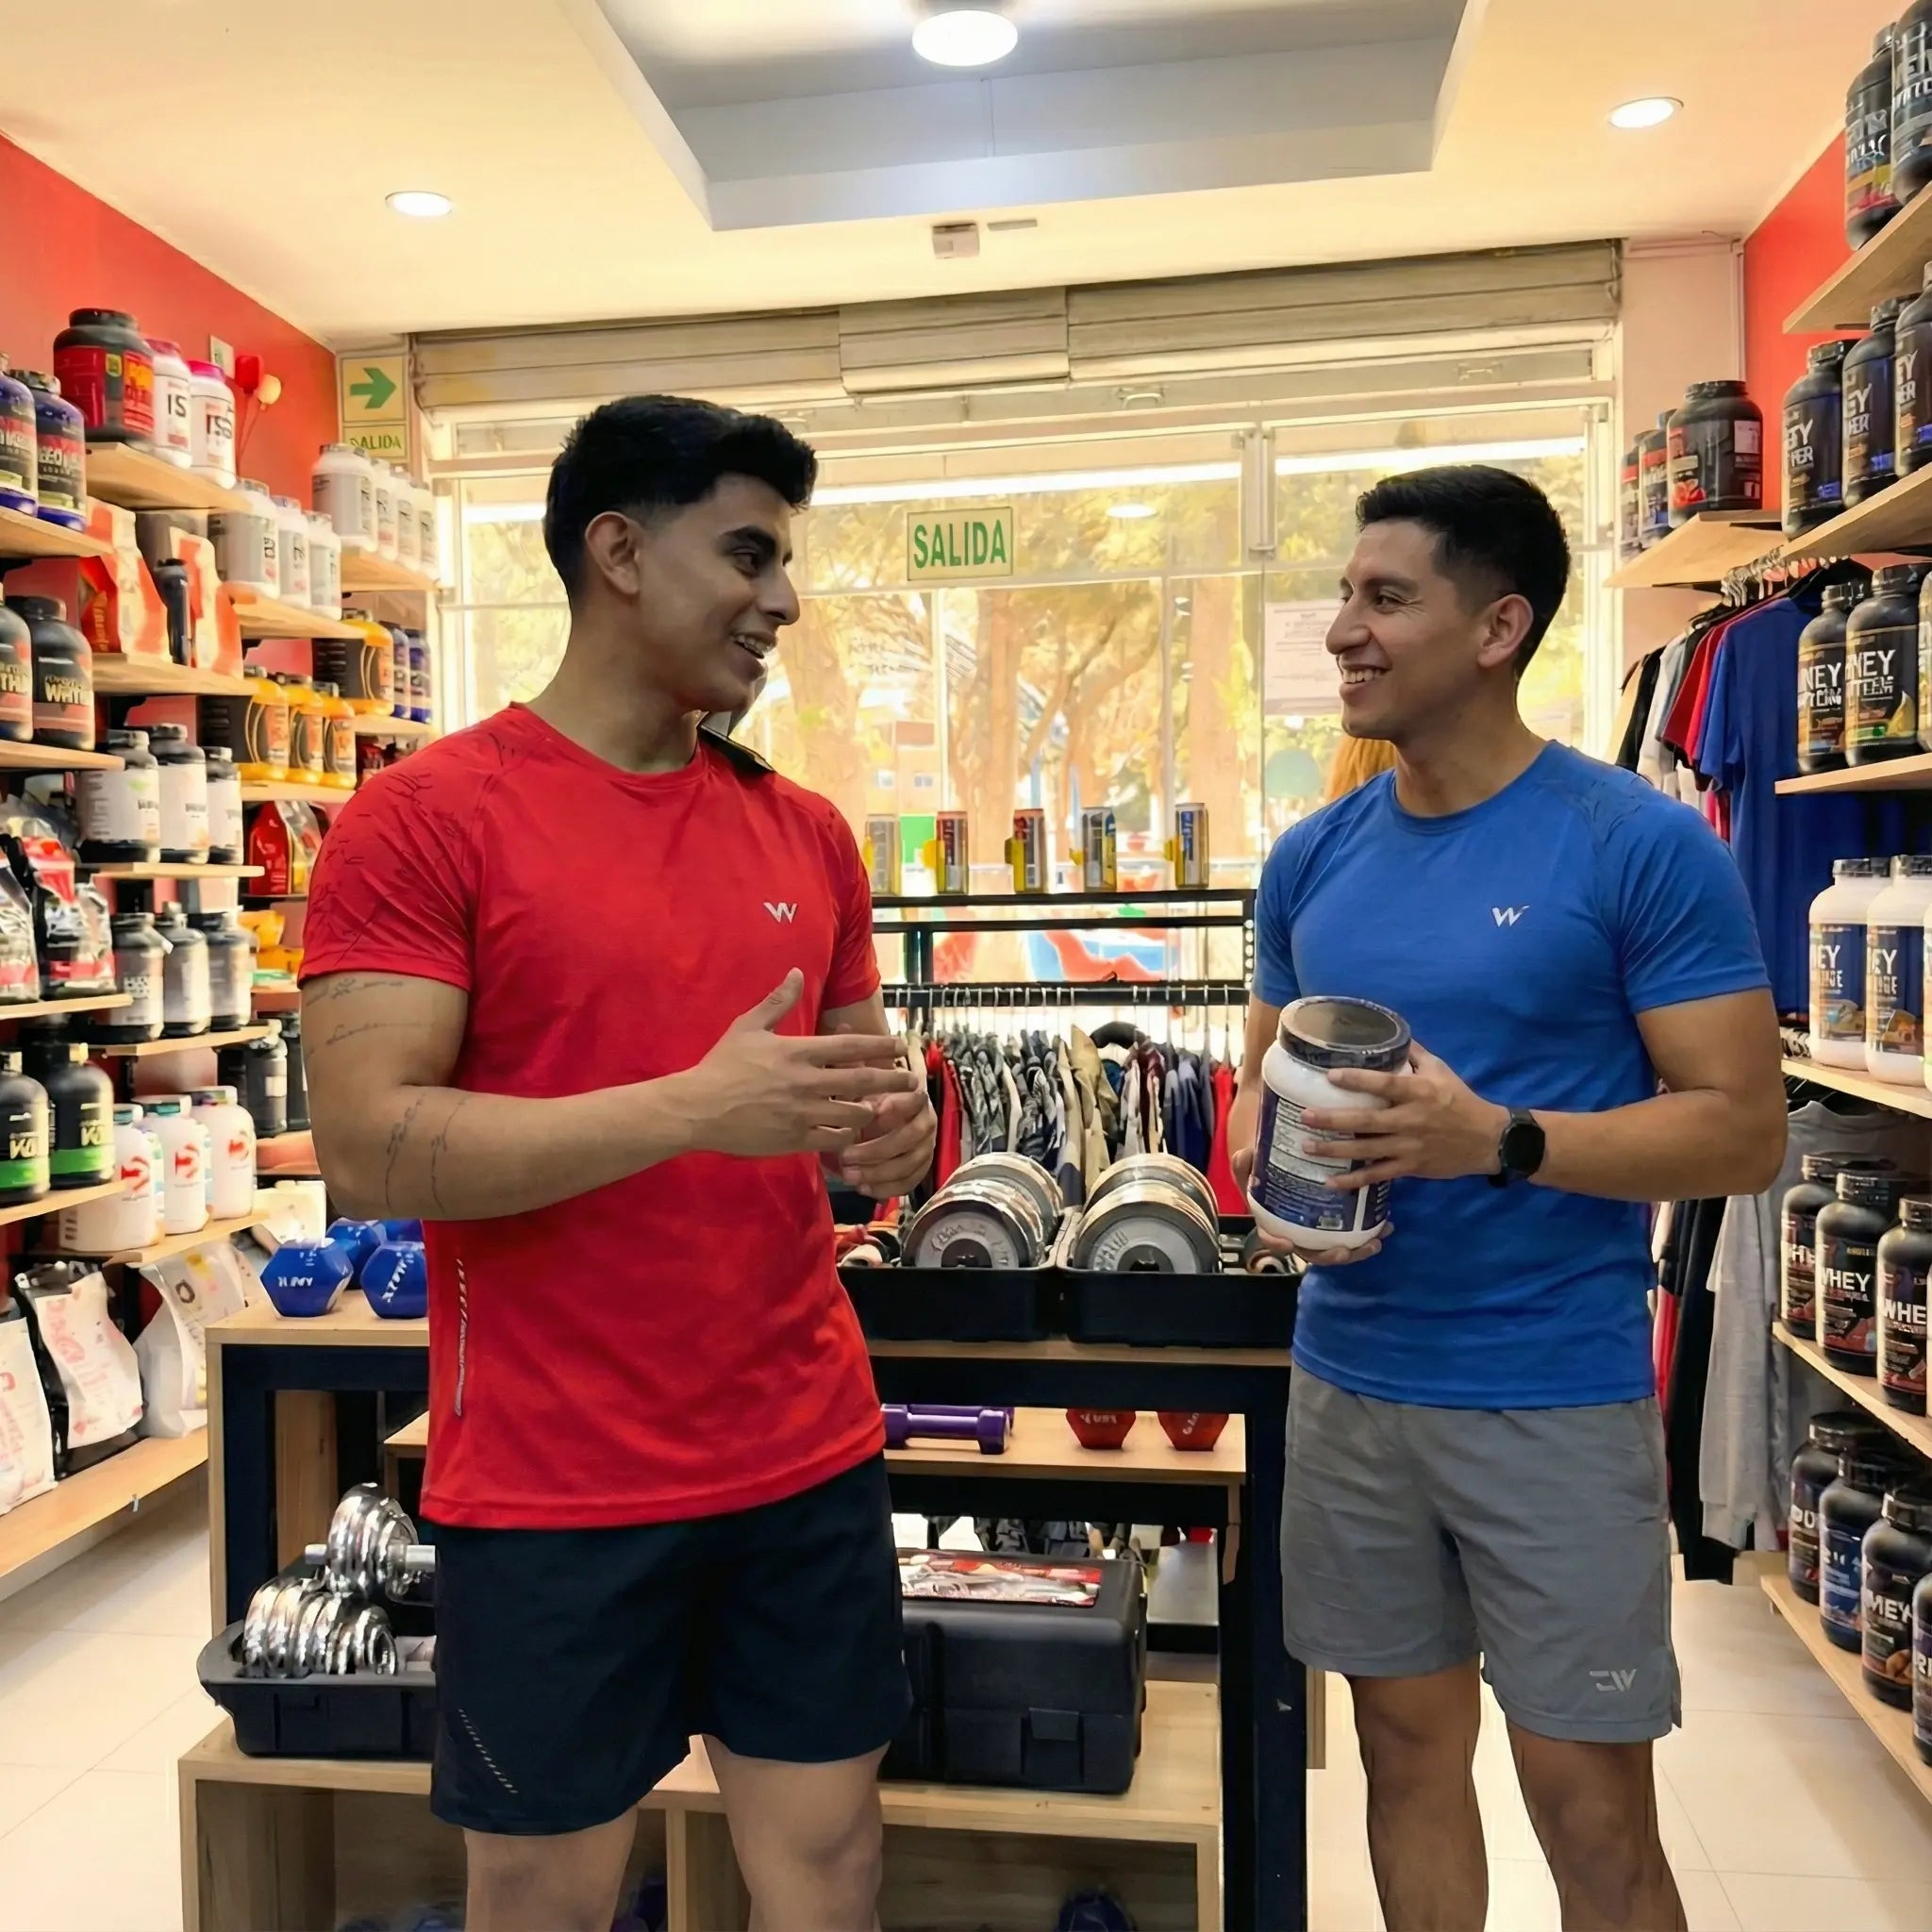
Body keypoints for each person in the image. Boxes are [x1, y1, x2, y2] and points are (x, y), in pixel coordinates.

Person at [300, 395, 936, 1932]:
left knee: (833, 1857)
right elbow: (371, 1147)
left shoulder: (806, 836)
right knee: (546, 1888)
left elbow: (852, 1105)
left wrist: (892, 1128)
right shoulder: (425, 819)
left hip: (803, 1446)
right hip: (553, 1480)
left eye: (787, 561)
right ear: (619, 552)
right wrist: (689, 1109)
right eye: (748, 553)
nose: (782, 598)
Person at [1229, 466, 1785, 1932]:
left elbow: (1740, 1133)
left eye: (1384, 596)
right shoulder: (1312, 858)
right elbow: (1255, 1093)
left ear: (1498, 626)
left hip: (1550, 1393)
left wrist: (1500, 1142)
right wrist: (1266, 1177)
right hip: (1351, 1387)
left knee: (1587, 1806)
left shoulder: (1637, 845)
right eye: (1346, 593)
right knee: (1405, 1763)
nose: (1343, 628)